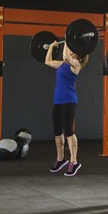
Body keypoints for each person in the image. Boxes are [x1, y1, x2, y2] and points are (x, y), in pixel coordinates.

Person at [45, 41, 87, 177]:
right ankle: (60, 159)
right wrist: (51, 47)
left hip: (69, 100)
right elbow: (48, 61)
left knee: (69, 131)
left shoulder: (76, 64)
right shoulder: (63, 64)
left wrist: (67, 40)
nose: (69, 50)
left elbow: (66, 56)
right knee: (57, 131)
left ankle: (74, 162)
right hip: (57, 100)